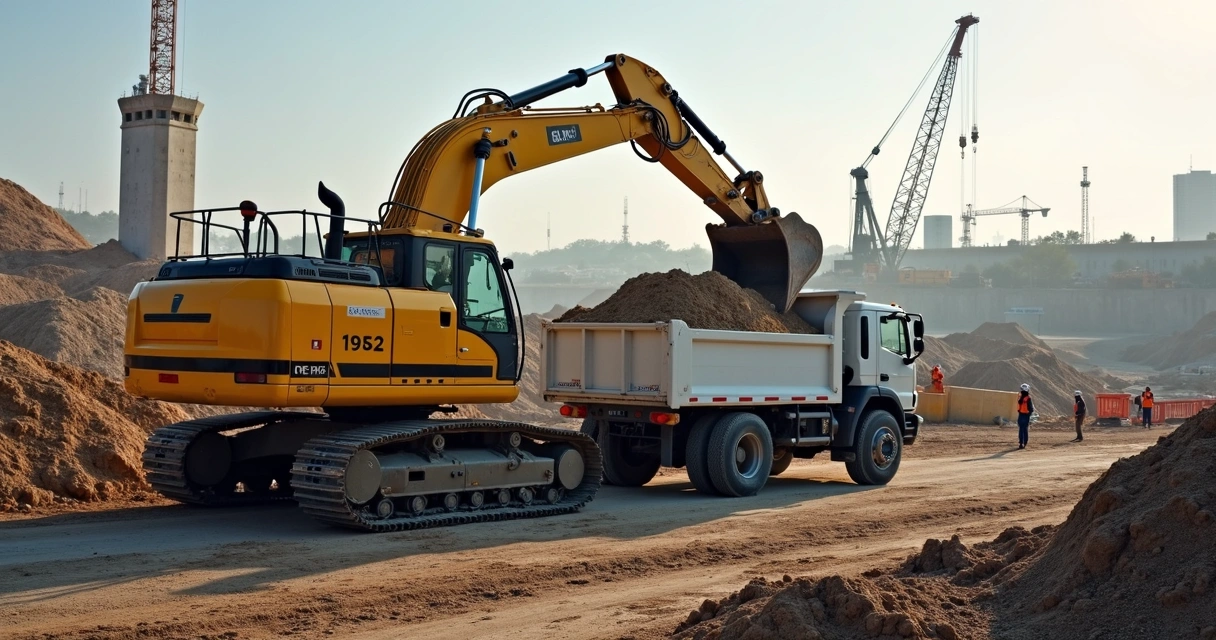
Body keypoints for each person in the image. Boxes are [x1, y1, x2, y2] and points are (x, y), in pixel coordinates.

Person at [1016, 383, 1034, 449]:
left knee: (1021, 429)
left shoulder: (1020, 398)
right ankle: (1024, 442)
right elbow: (1031, 409)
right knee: (1024, 429)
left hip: (1020, 415)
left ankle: (1021, 443)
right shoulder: (1028, 398)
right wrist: (1028, 415)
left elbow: (1018, 408)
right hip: (1025, 416)